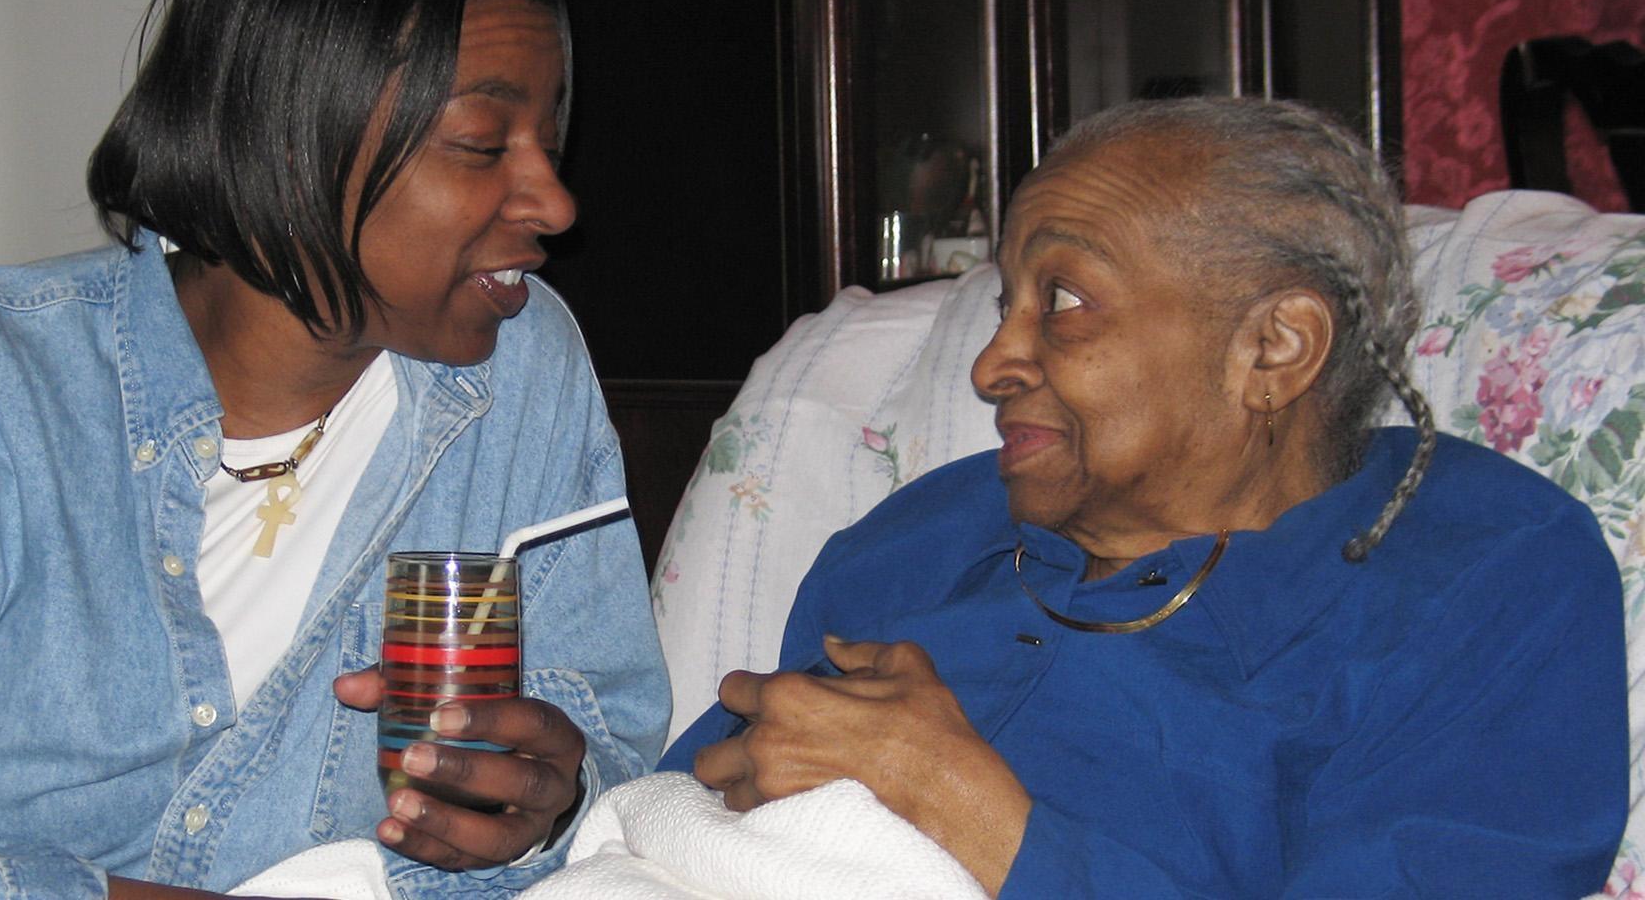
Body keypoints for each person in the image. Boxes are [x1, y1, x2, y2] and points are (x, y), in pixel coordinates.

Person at [0, 0, 668, 899]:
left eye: (551, 137)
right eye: (486, 144)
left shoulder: (523, 371)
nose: (555, 203)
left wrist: (551, 800)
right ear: (292, 140)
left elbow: (607, 729)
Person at [662, 97, 1628, 896]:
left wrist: (954, 797)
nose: (993, 362)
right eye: (1005, 305)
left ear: (1274, 348)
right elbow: (681, 818)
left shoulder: (1483, 570)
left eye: (1065, 303)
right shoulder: (927, 530)